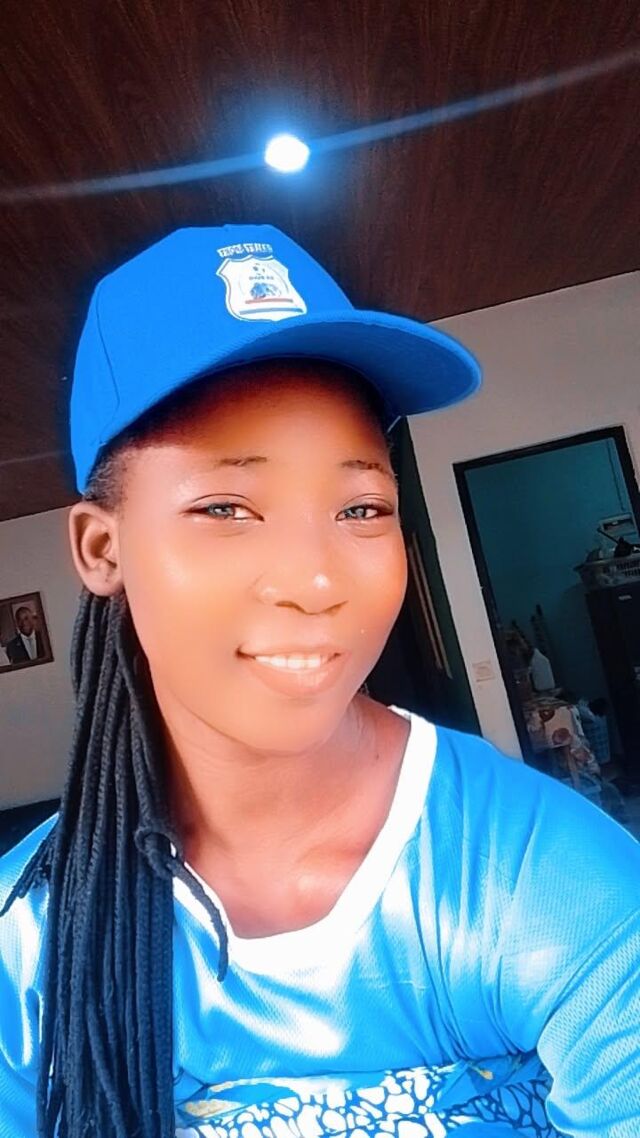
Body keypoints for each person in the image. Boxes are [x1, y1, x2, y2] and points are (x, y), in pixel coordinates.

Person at [0, 225, 639, 1138]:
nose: (315, 580)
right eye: (227, 507)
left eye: (361, 507)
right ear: (102, 549)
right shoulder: (28, 941)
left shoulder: (543, 881)